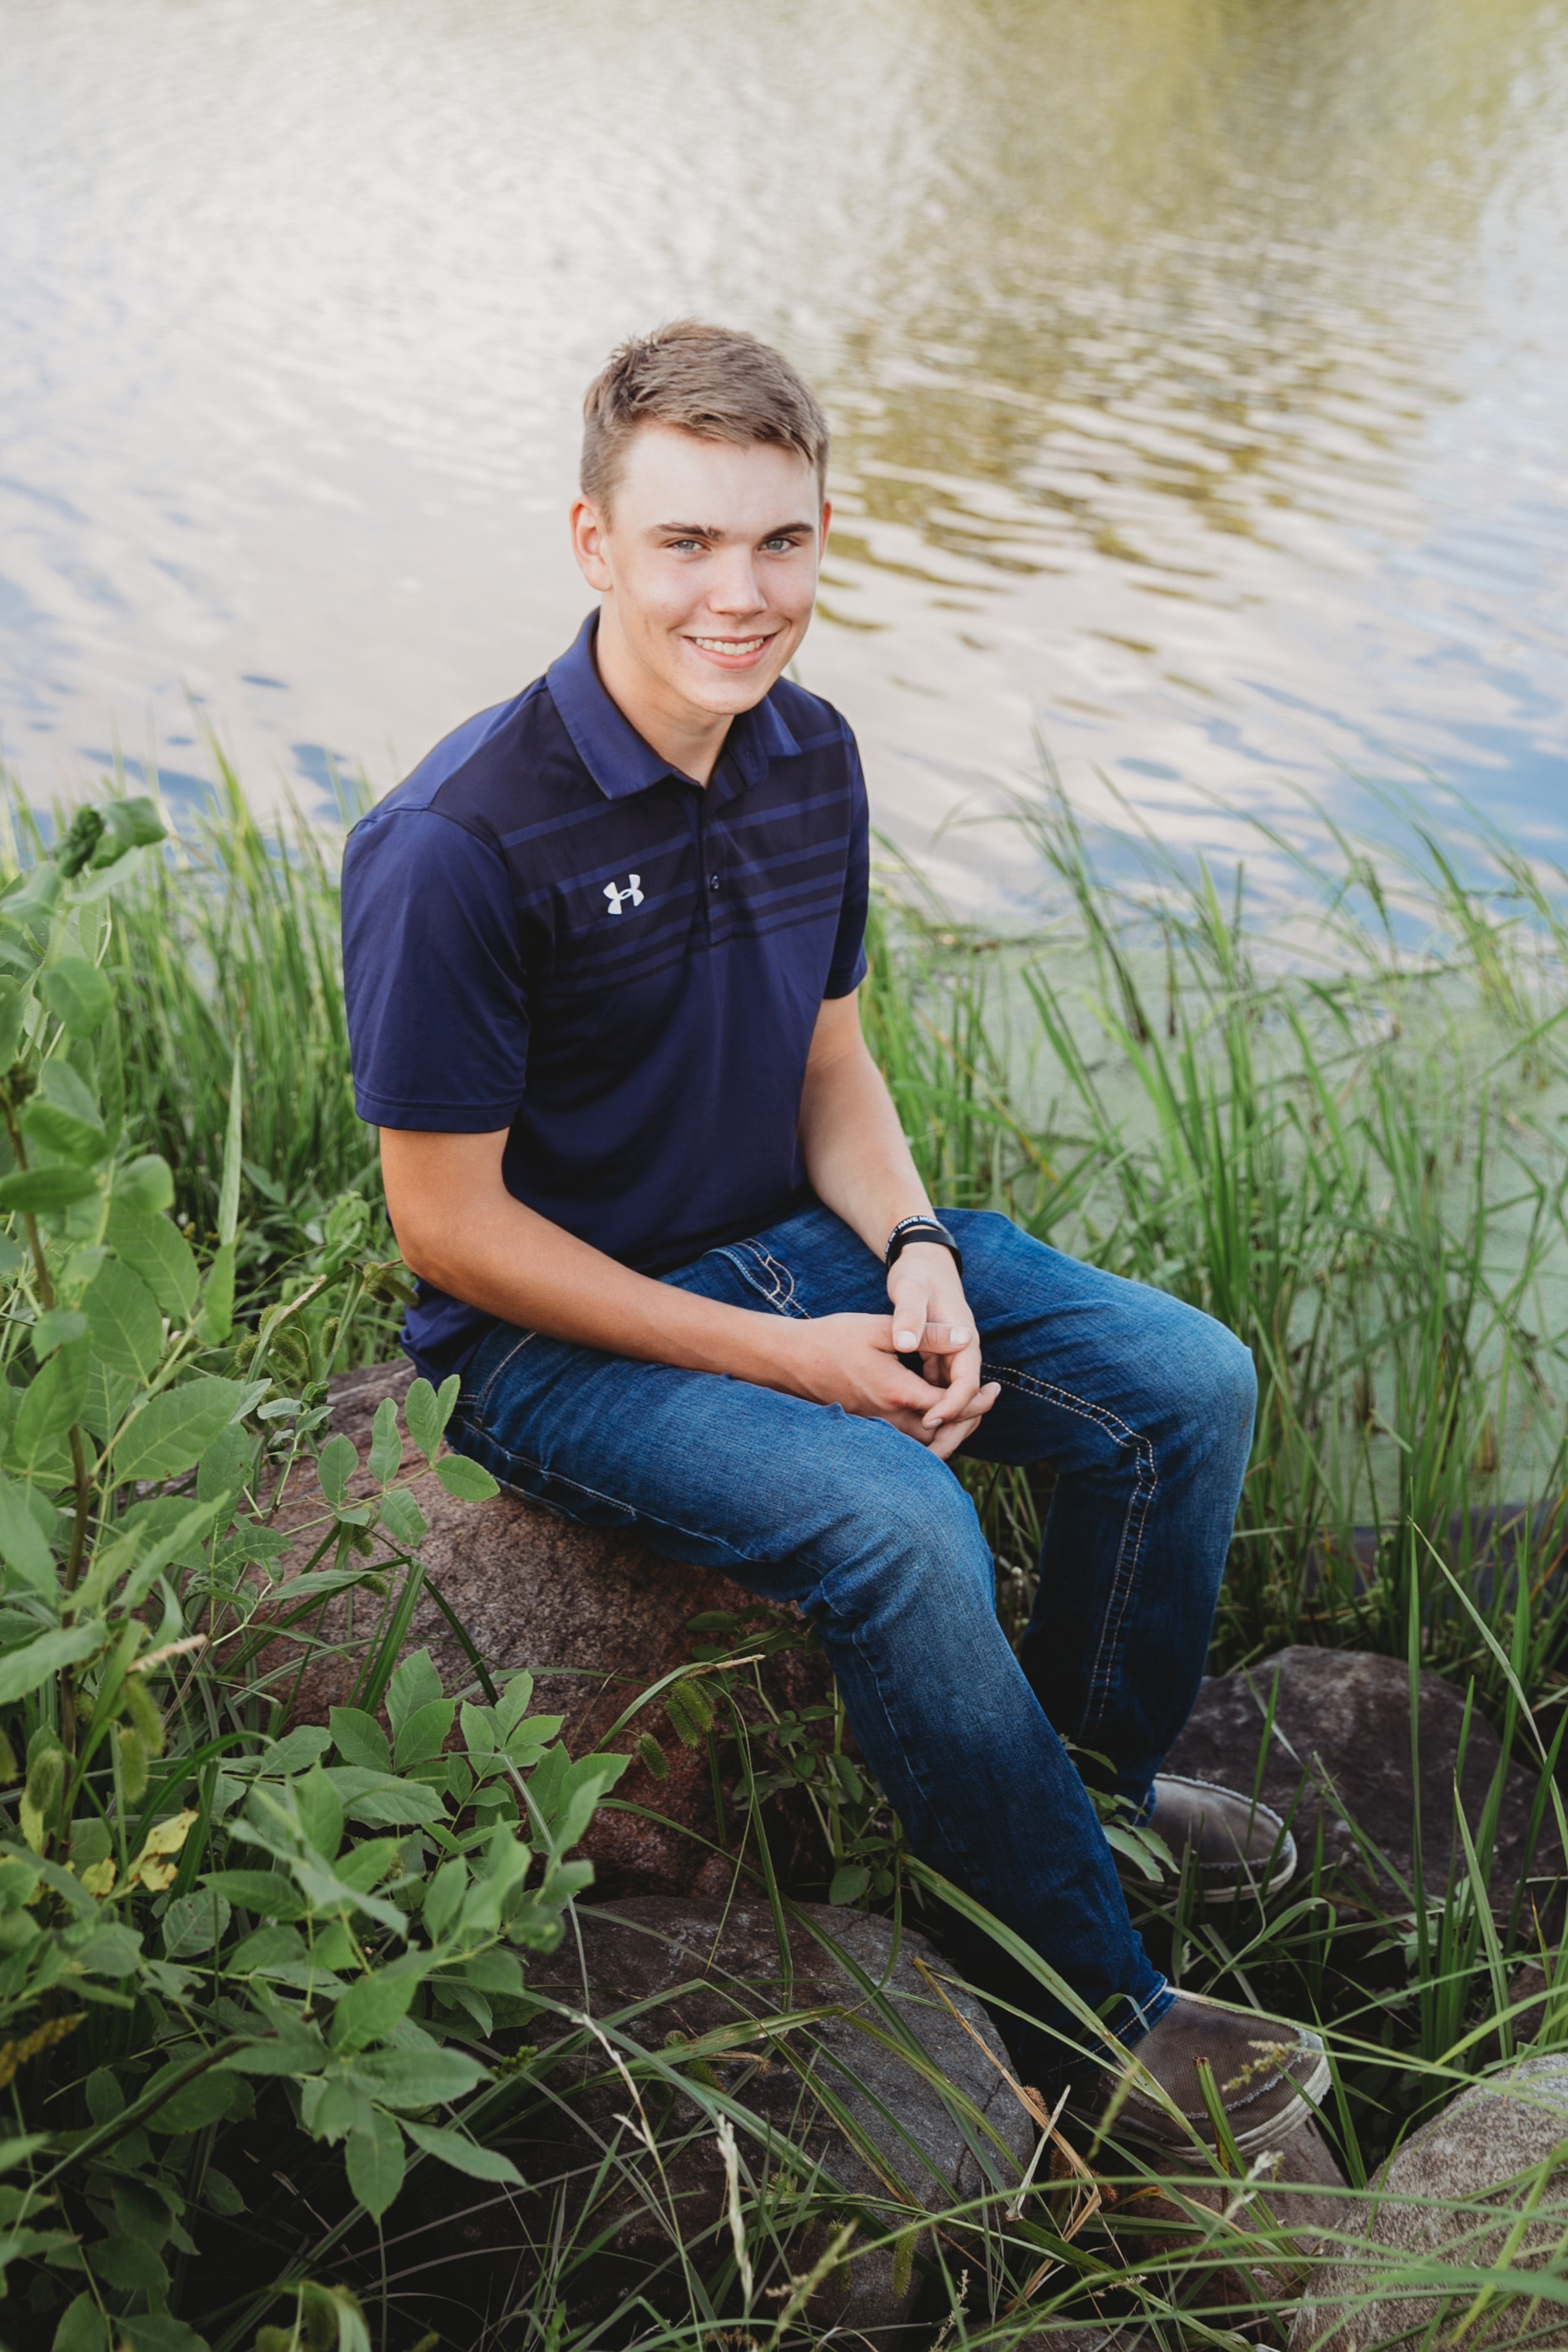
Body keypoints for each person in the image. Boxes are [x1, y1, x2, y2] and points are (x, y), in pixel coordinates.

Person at [341, 320, 1328, 2154]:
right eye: (687, 543)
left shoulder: (808, 753)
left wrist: (916, 1248)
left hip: (796, 1244)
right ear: (592, 542)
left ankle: (1082, 1806)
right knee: (898, 1519)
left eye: (780, 541)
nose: (741, 594)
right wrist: (789, 1361)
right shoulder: (457, 843)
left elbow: (831, 1067)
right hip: (550, 1347)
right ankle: (1085, 2020)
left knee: (1185, 1383)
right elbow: (448, 1230)